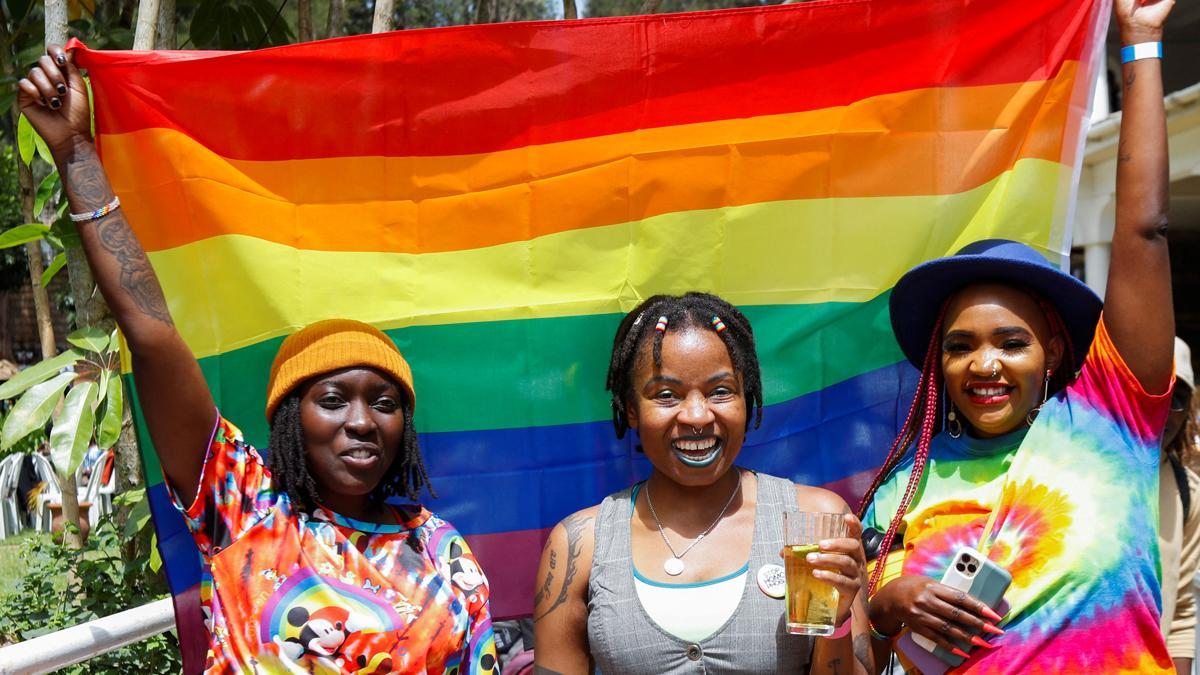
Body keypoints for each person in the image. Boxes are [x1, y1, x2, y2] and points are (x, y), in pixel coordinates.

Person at [18, 47, 498, 674]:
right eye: (332, 400)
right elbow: (153, 333)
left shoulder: (441, 550)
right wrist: (77, 152)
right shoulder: (242, 509)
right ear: (290, 421)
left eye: (384, 403)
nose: (361, 421)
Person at [858, 0, 1178, 671]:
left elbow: (1143, 230)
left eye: (1011, 341)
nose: (985, 363)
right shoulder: (899, 492)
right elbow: (857, 633)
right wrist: (889, 604)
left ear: (1054, 351)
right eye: (959, 345)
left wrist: (1140, 44)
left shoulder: (1110, 421)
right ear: (936, 365)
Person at [532, 292, 872, 674]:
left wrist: (836, 621)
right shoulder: (582, 544)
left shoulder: (814, 522)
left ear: (748, 398)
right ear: (631, 409)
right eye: (666, 395)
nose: (697, 415)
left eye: (720, 391)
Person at [1160, 337, 1200, 674]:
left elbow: (1182, 608)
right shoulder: (1068, 469)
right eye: (1155, 389)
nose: (1164, 408)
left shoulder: (1188, 491)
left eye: (1178, 398)